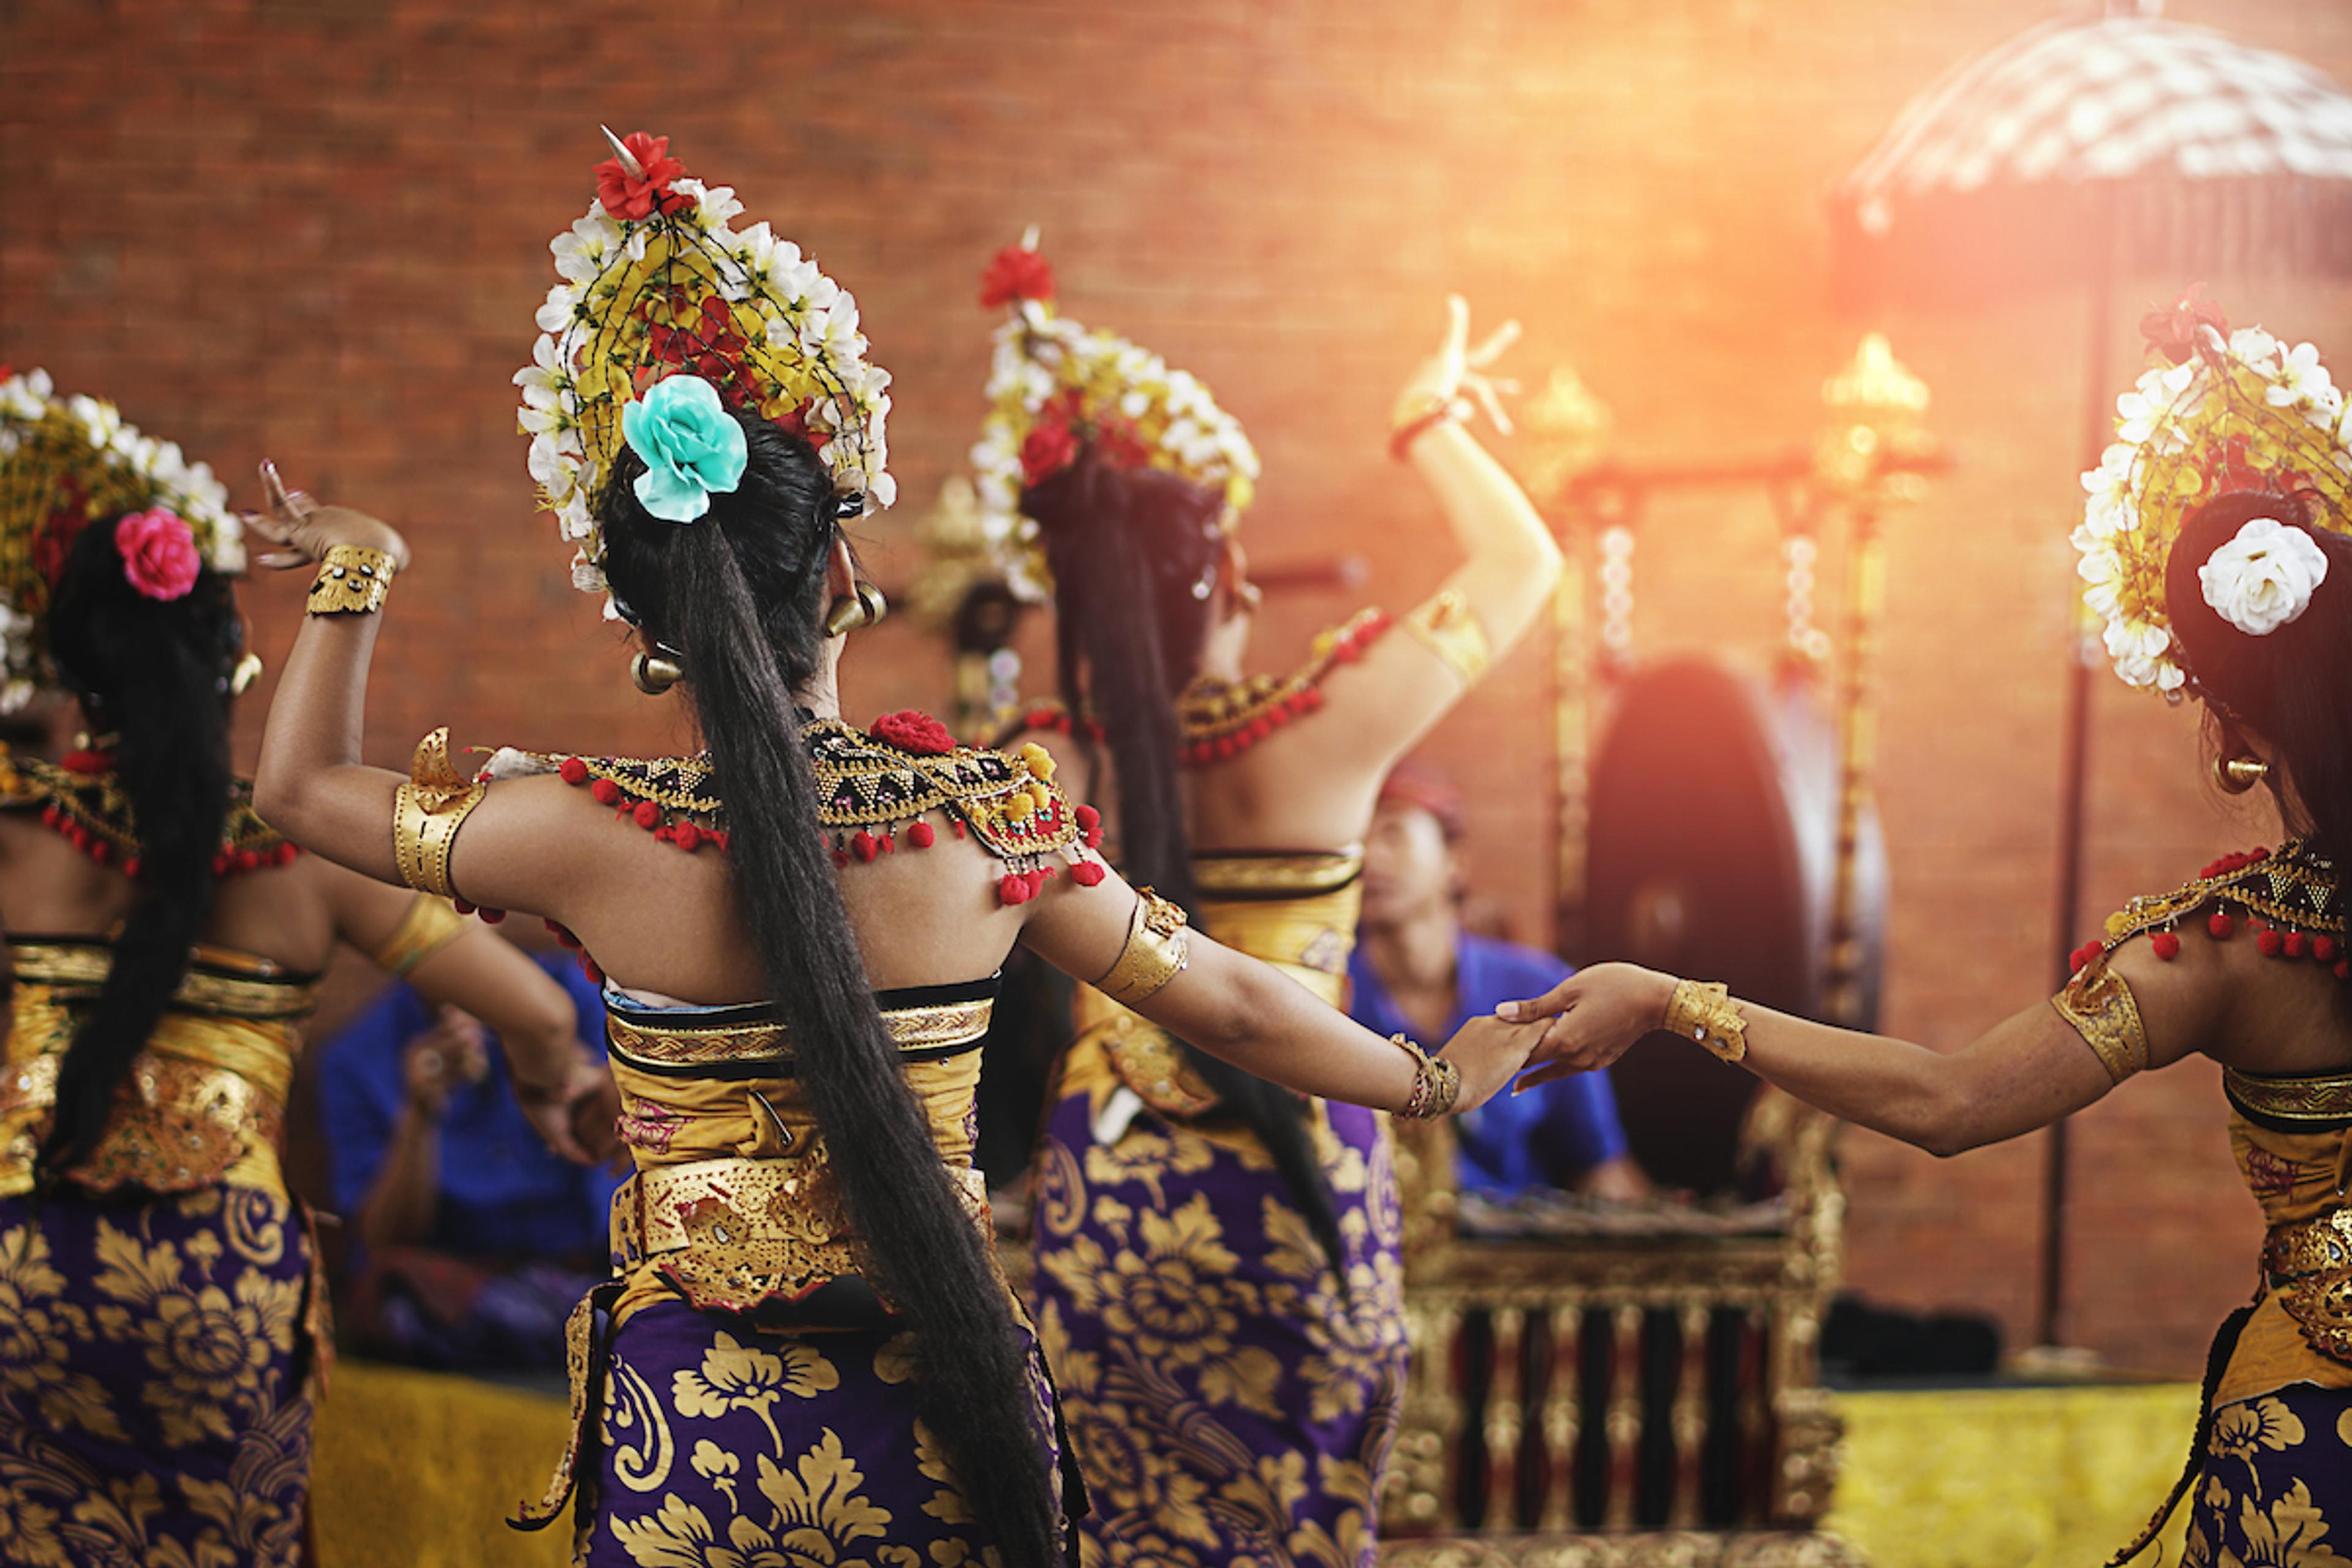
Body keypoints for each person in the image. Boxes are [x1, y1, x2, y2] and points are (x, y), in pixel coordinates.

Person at [244, 129, 1539, 1568]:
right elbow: (1234, 1000)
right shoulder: (979, 818)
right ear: (843, 578)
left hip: (691, 1448)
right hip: (933, 1425)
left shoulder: (574, 829)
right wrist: (1437, 1074)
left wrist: (356, 569)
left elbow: (298, 787)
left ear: (643, 623)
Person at [1497, 296, 2352, 1567]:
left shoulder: (2229, 952)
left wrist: (1680, 1001)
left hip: (2312, 1442)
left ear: (2227, 730)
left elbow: (1951, 1099)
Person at [973, 236, 1564, 1566]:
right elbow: (1523, 566)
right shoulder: (1327, 731)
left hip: (1108, 1190)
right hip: (1304, 1178)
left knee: (1119, 1530)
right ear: (1231, 583)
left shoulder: (1034, 766)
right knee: (1302, 1524)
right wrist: (1429, 421)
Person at [0, 370, 602, 1568]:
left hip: (23, 1272)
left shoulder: (18, 837)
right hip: (222, 1284)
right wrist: (550, 1083)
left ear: (67, 670)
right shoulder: (297, 857)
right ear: (229, 663)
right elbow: (538, 1013)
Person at [1350, 766, 1646, 1202]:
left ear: (1456, 862)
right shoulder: (1326, 995)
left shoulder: (1540, 989)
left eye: (1394, 834)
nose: (1370, 857)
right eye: (1358, 838)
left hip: (1509, 1252)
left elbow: (1597, 1165)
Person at [319, 947, 619, 1370]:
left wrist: (550, 1063)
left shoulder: (567, 1001)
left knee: (639, 1307)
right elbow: (380, 1241)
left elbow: (619, 1150)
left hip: (576, 1269)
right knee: (396, 1307)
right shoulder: (357, 1058)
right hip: (462, 1285)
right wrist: (420, 1112)